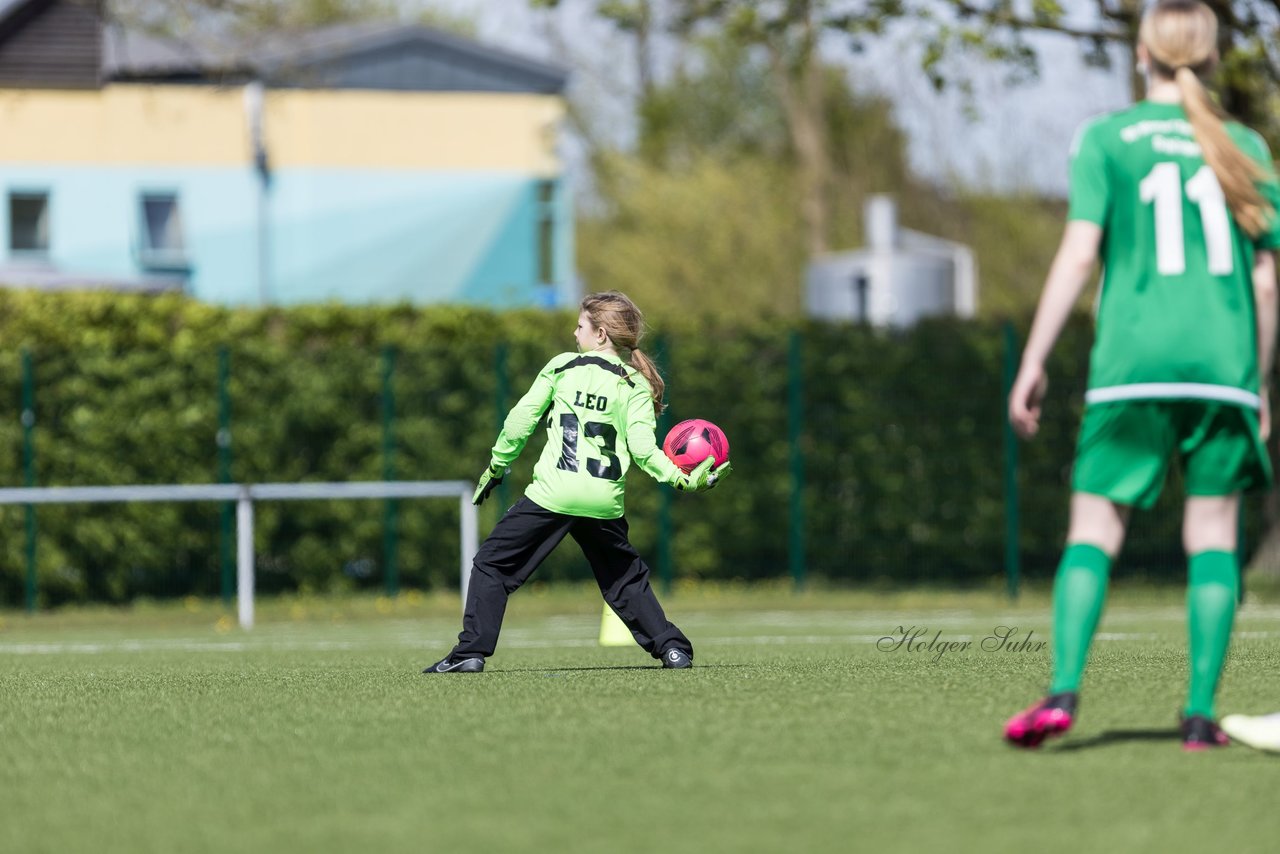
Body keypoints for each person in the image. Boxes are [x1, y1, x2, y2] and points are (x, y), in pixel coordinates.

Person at [1002, 0, 1280, 750]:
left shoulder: (1108, 138)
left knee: (1094, 531)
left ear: (1141, 56)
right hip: (1223, 369)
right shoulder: (1245, 144)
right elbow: (1264, 282)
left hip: (1132, 367)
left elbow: (1079, 251)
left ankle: (1062, 693)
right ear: (1214, 59)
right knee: (1214, 538)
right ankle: (1197, 716)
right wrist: (1256, 382)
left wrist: (1034, 358)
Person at [424, 291, 732, 673]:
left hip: (553, 494)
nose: (574, 333)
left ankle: (469, 653)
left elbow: (520, 422)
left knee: (492, 566)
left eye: (581, 325)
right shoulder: (636, 385)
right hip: (603, 501)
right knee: (624, 580)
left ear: (601, 334)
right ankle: (673, 650)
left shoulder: (562, 368)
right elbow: (644, 452)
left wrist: (498, 465)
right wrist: (682, 480)